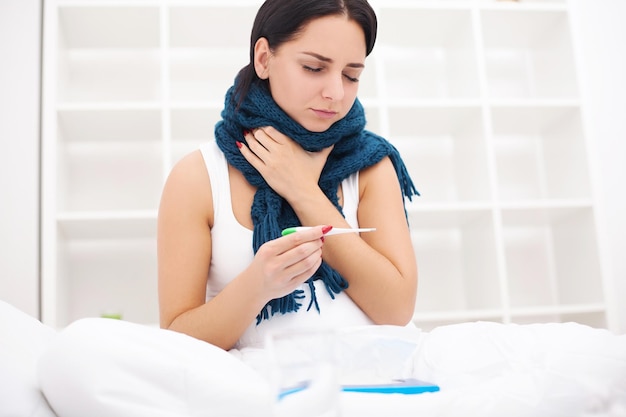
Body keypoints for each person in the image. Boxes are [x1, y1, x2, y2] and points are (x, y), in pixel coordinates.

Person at [157, 0, 419, 352]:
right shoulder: (198, 177)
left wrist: (301, 188)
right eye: (313, 68)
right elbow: (176, 339)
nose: (335, 93)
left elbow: (397, 309)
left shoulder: (371, 165)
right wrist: (258, 285)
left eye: (351, 75)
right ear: (264, 58)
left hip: (372, 385)